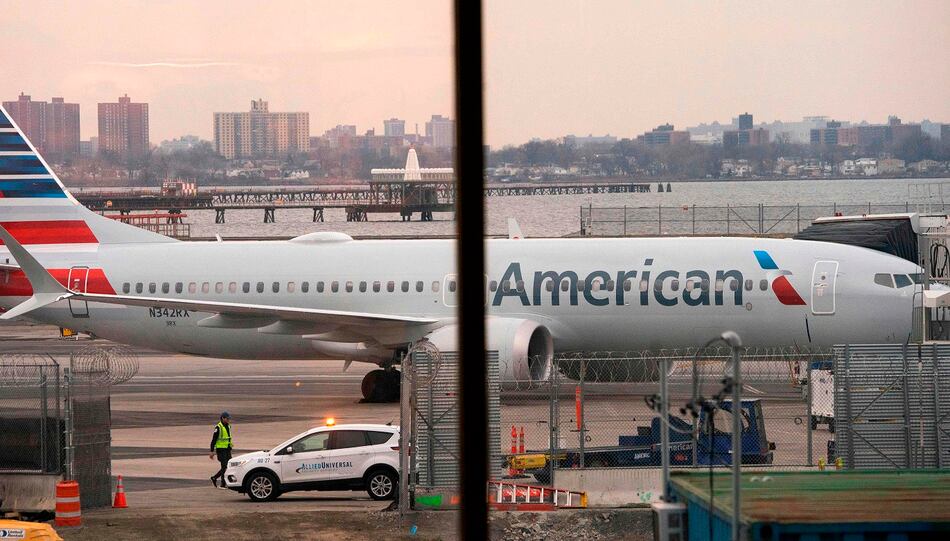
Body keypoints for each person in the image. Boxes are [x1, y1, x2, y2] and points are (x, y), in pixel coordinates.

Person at [209, 411, 233, 488]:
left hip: (227, 449)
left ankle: (214, 478)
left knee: (228, 465)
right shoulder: (218, 427)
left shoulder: (228, 426)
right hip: (220, 449)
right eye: (227, 418)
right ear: (222, 418)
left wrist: (230, 446)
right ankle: (223, 484)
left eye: (229, 418)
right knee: (224, 466)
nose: (228, 420)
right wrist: (212, 451)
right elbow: (213, 440)